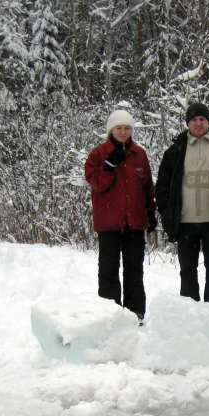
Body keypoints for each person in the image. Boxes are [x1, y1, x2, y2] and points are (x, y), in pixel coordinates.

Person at [156, 102, 209, 306]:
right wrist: (166, 212)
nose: (198, 123)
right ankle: (189, 315)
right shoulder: (174, 151)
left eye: (202, 119)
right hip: (185, 221)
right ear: (188, 123)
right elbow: (162, 187)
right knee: (187, 270)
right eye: (194, 119)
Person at [84, 109, 156, 319]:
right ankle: (109, 316)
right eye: (119, 128)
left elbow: (146, 187)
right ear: (111, 130)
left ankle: (136, 315)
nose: (123, 132)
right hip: (109, 223)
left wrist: (151, 213)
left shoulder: (139, 154)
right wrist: (108, 166)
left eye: (127, 128)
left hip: (135, 222)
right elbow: (96, 184)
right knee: (108, 271)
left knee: (134, 271)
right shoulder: (97, 154)